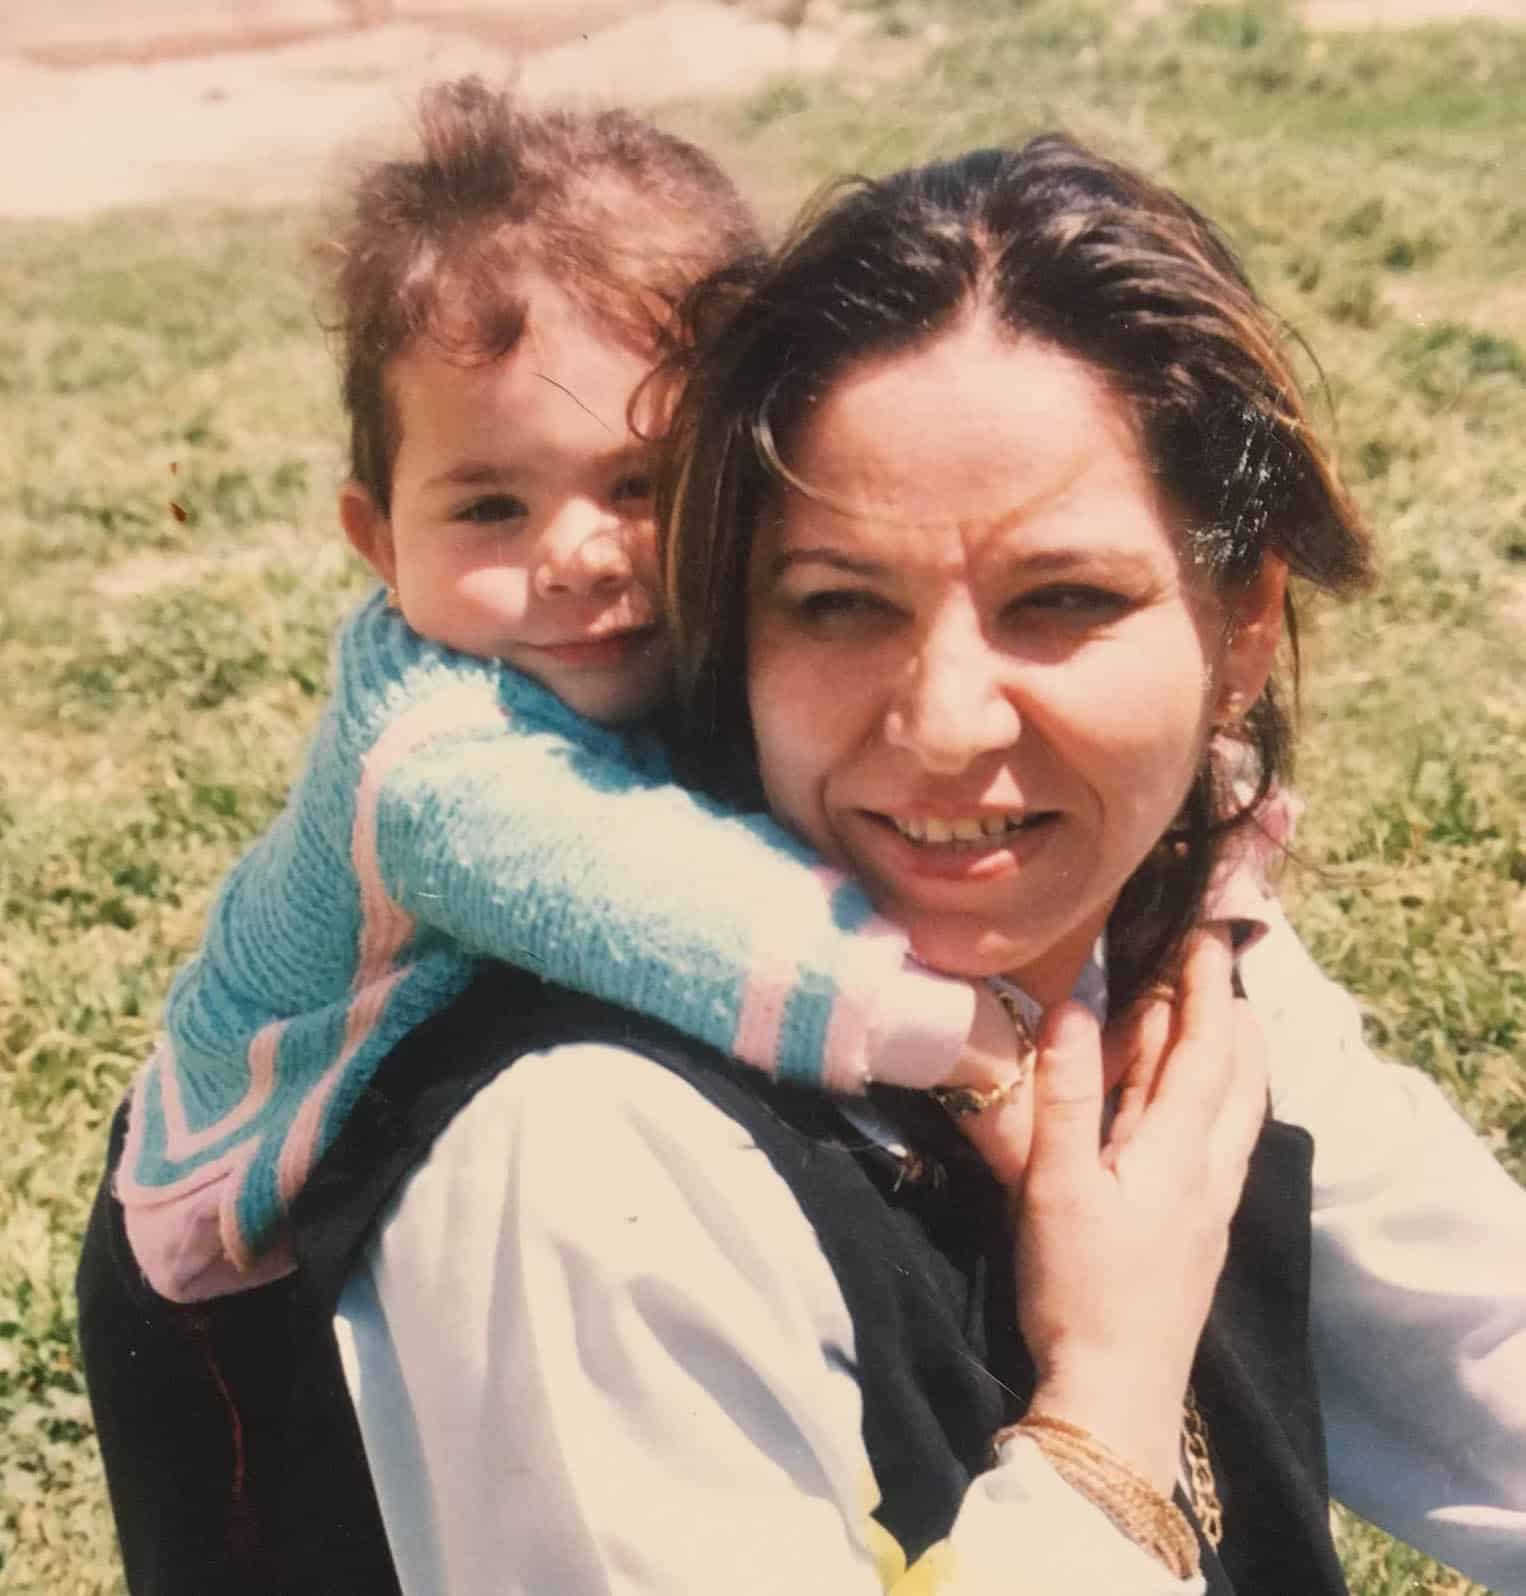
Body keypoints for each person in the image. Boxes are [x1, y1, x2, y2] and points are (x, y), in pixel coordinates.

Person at [321, 134, 1526, 1595]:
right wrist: (1106, 1396)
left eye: (1063, 598)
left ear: (1240, 630)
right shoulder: (590, 1167)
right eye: (837, 604)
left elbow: (1487, 1351)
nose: (946, 726)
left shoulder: (1155, 971)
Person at [106, 79, 1038, 1312]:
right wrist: (981, 1051)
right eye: (491, 506)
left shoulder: (651, 641)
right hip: (232, 1228)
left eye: (641, 483)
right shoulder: (435, 765)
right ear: (377, 540)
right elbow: (659, 899)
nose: (579, 554)